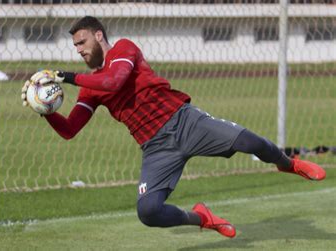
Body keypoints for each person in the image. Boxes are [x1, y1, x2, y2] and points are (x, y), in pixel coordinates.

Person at [21, 16, 326, 238]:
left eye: (82, 42)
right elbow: (70, 129)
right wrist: (44, 110)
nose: (79, 50)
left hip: (184, 122)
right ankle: (202, 218)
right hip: (156, 148)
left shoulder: (123, 49)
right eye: (75, 46)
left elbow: (114, 81)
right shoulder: (90, 88)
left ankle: (288, 164)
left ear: (99, 36)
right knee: (148, 212)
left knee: (251, 143)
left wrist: (67, 76)